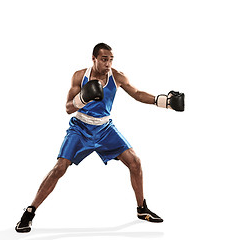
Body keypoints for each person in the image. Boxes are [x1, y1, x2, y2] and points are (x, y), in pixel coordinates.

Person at [15, 43, 184, 233]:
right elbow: (68, 108)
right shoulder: (80, 76)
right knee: (59, 168)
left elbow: (136, 93)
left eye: (111, 59)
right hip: (80, 128)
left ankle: (141, 209)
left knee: (135, 162)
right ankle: (29, 212)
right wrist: (83, 97)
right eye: (104, 59)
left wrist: (163, 102)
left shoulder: (117, 77)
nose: (108, 64)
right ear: (94, 58)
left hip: (105, 128)